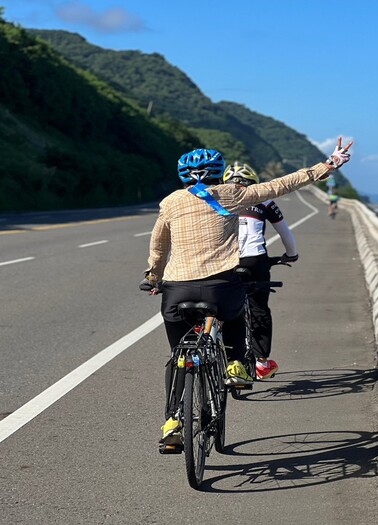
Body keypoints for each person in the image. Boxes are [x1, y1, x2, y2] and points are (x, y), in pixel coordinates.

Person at [143, 137, 353, 444]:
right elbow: (282, 185)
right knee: (237, 312)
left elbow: (159, 245)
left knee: (179, 356)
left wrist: (152, 276)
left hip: (177, 291)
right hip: (220, 286)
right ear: (219, 172)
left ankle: (174, 421)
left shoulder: (171, 202)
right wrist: (329, 164)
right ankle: (237, 363)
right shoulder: (233, 193)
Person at [222, 162, 298, 380]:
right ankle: (261, 363)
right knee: (259, 309)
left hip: (225, 260)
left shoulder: (217, 199)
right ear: (253, 182)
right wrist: (291, 254)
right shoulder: (264, 200)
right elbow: (286, 235)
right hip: (255, 260)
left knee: (222, 302)